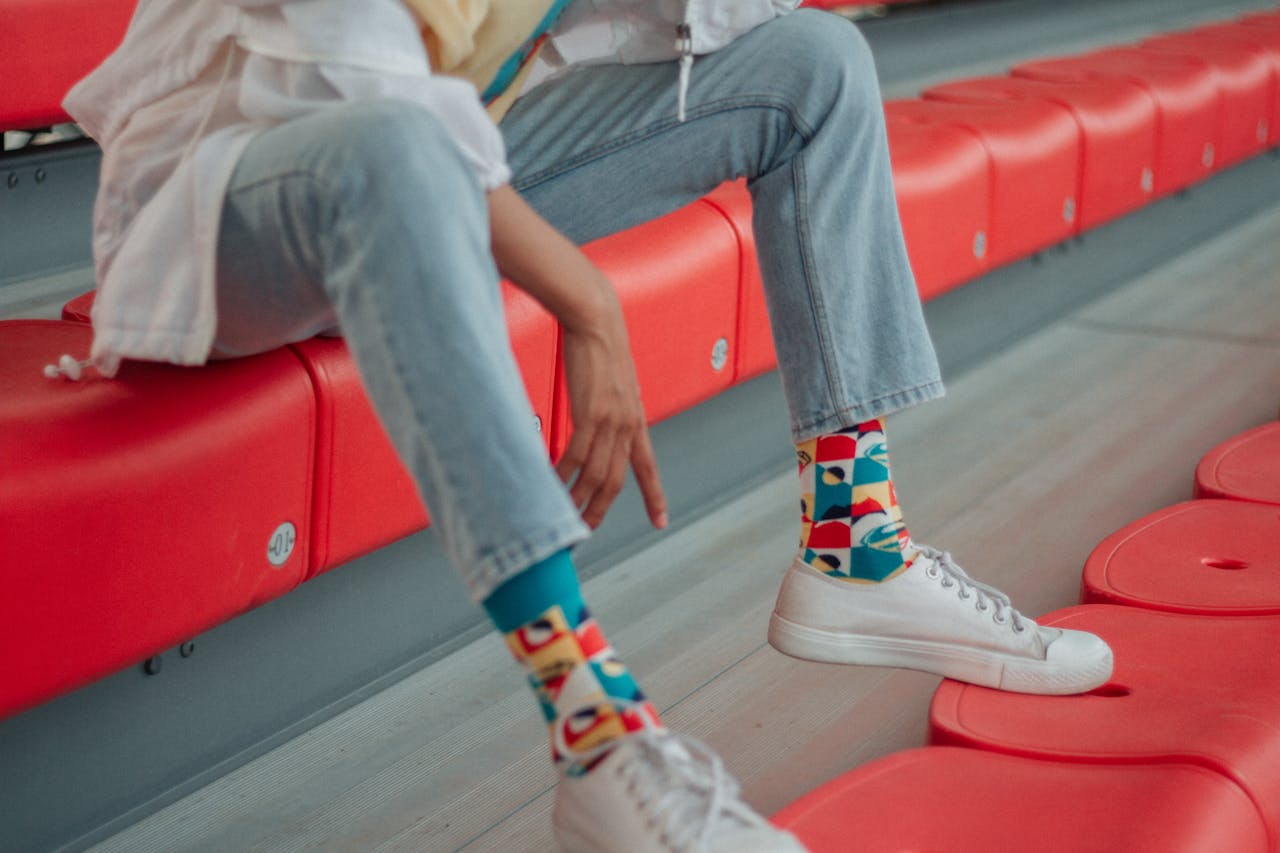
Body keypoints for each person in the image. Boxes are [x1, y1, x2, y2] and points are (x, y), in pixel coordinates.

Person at [63, 1, 1114, 849]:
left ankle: (855, 542)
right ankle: (596, 731)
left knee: (813, 60)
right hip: (236, 194)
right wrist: (583, 299)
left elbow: (711, 29)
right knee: (393, 145)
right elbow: (373, 96)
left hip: (444, 165)